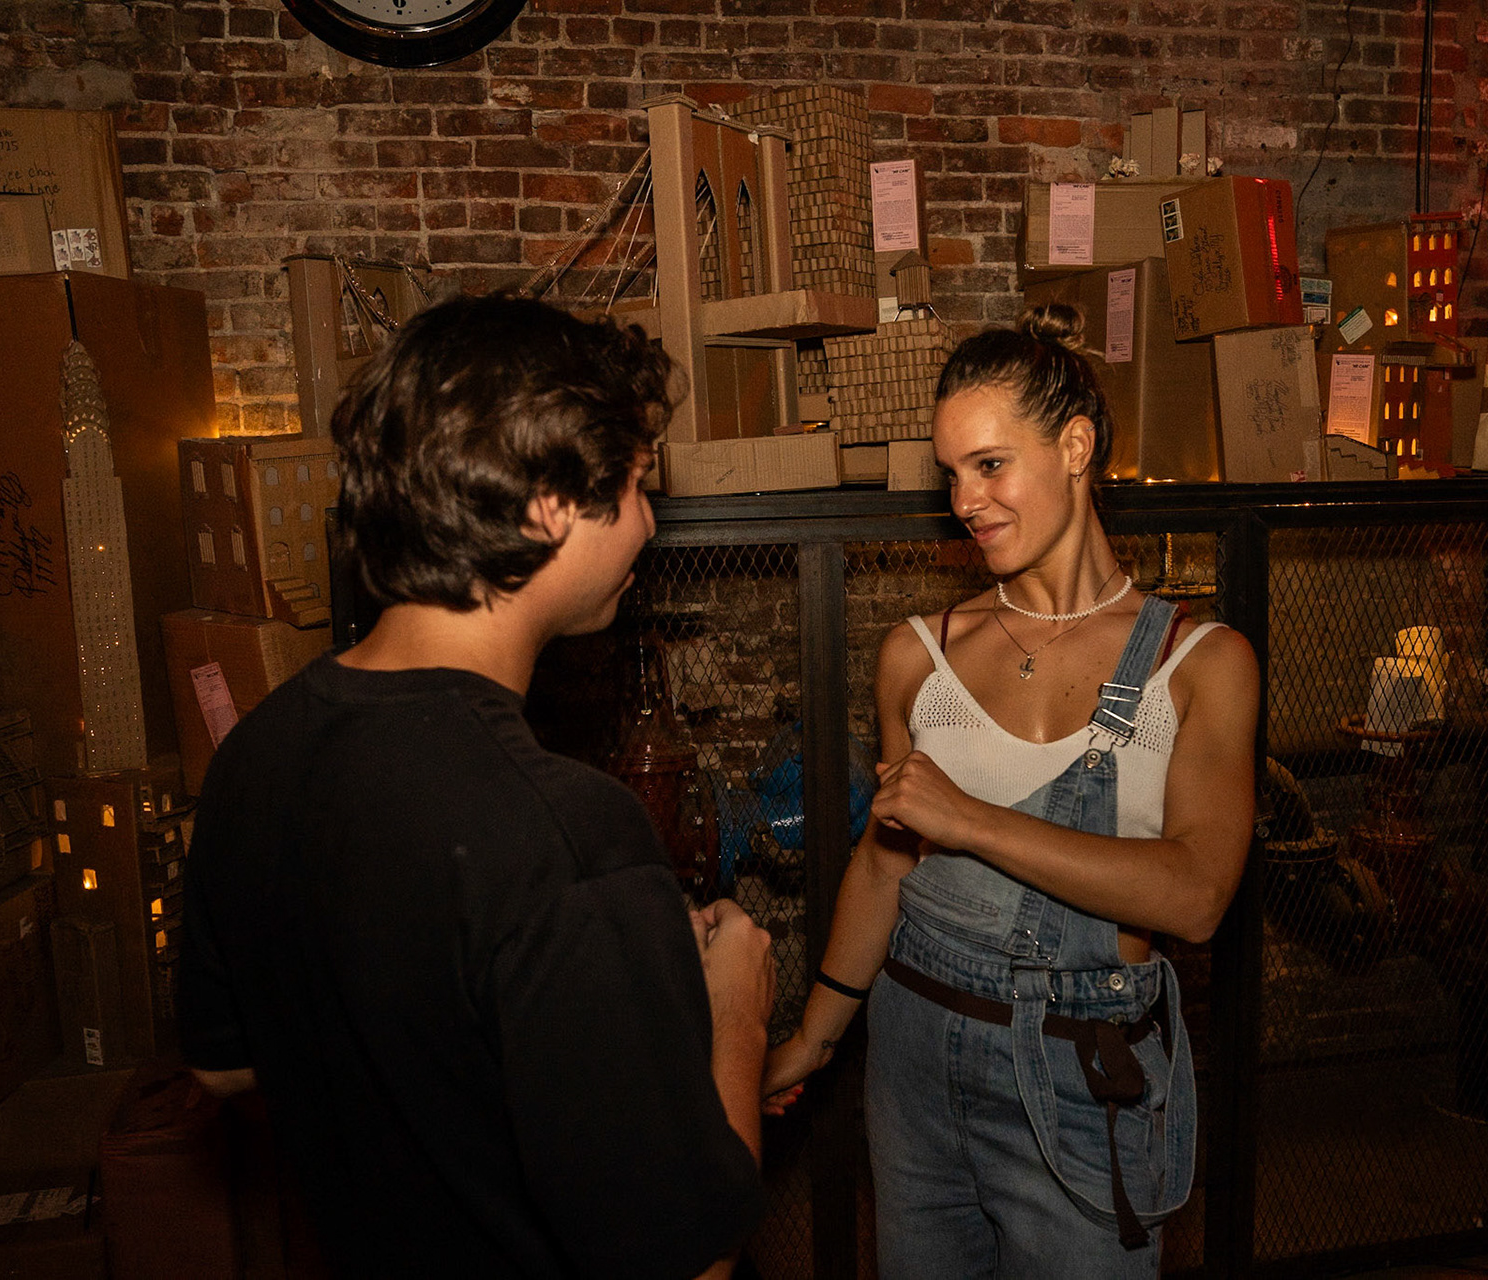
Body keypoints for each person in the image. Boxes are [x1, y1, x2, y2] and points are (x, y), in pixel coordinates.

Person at [178, 294, 774, 1279]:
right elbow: (693, 1266)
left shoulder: (256, 753)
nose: (648, 520)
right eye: (635, 484)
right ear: (548, 507)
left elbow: (224, 1062)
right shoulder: (571, 835)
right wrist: (735, 1018)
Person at [762, 304, 1259, 1276]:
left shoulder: (1199, 663)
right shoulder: (920, 656)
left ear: (1074, 447)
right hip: (910, 1056)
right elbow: (885, 864)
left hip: (1079, 1065)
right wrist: (815, 1038)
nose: (966, 499)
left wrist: (973, 820)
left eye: (990, 464)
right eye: (951, 473)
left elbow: (1197, 894)